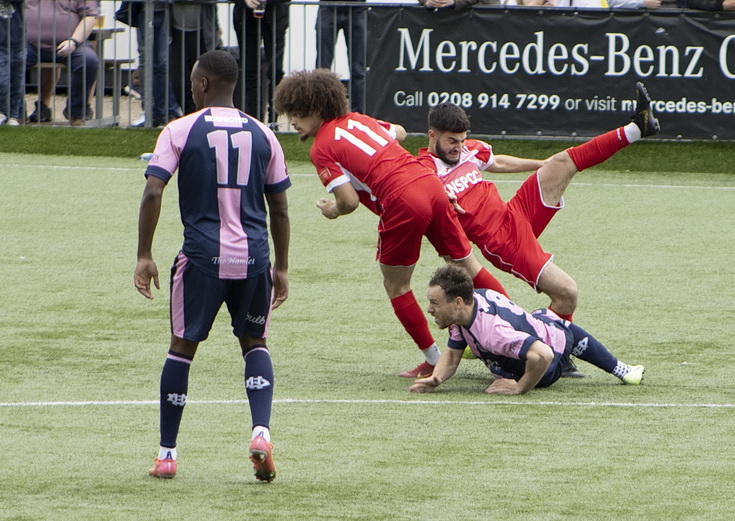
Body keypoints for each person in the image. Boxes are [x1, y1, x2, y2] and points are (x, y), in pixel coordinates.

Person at [273, 69, 502, 379]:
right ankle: (518, 329)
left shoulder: (321, 148)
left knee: (396, 285)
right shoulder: (359, 120)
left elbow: (349, 201)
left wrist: (333, 210)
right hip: (430, 183)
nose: (293, 121)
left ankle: (434, 359)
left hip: (401, 200)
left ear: (315, 109)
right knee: (467, 266)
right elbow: (400, 132)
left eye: (296, 113)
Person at [135, 50, 291, 482]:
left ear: (202, 83)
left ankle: (167, 455)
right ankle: (261, 431)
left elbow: (153, 193)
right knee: (255, 343)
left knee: (181, 348)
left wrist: (144, 254)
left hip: (202, 257)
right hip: (255, 257)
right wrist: (281, 266)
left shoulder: (179, 129)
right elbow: (279, 208)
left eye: (191, 81)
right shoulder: (265, 134)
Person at [415, 83, 660, 325]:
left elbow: (497, 162)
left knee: (562, 161)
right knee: (567, 292)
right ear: (432, 136)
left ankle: (636, 129)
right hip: (504, 241)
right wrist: (441, 198)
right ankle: (548, 349)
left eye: (462, 140)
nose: (459, 148)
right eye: (452, 142)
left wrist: (542, 163)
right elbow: (421, 197)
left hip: (514, 212)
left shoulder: (469, 150)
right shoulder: (424, 170)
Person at [409, 265, 645, 394]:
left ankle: (619, 368)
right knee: (538, 318)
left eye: (435, 303)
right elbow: (451, 354)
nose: (429, 309)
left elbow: (544, 355)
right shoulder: (470, 306)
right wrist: (437, 378)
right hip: (524, 341)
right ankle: (622, 369)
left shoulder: (494, 332)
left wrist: (519, 387)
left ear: (458, 302)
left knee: (557, 325)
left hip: (548, 366)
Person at [24, 0, 99, 126]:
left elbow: (90, 17)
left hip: (72, 45)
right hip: (29, 45)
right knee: (10, 59)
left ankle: (77, 112)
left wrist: (74, 41)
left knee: (89, 61)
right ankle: (14, 112)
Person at [115, 0, 183, 128]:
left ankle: (165, 111)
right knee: (148, 60)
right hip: (144, 10)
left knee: (160, 63)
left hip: (164, 11)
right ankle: (153, 111)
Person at [233, 0, 289, 123]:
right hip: (245, 18)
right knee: (250, 70)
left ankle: (273, 119)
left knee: (276, 70)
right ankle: (254, 120)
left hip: (275, 18)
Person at [169, 1, 219, 115]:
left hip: (203, 32)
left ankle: (204, 113)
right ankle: (188, 114)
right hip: (176, 32)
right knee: (178, 80)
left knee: (205, 78)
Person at [315, 0, 365, 113]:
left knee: (358, 70)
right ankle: (320, 114)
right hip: (328, 7)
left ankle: (359, 117)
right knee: (322, 70)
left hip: (357, 8)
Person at [0, 0, 24, 126]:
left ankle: (13, 116)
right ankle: (2, 111)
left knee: (17, 79)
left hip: (17, 37)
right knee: (2, 80)